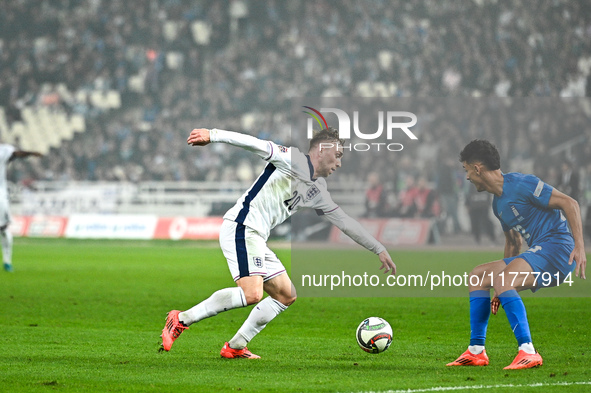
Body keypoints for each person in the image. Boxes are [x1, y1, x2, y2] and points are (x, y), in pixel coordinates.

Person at [161, 127, 396, 358]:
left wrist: (379, 248)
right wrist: (213, 135)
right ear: (322, 150)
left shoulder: (318, 190)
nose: (339, 163)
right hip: (242, 226)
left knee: (286, 295)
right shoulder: (292, 159)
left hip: (257, 237)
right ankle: (180, 319)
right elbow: (254, 143)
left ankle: (235, 346)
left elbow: (344, 221)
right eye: (338, 155)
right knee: (252, 294)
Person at [447, 139, 586, 370]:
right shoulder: (497, 205)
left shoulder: (523, 183)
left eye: (467, 170)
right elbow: (513, 243)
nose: (468, 177)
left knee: (502, 279)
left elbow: (570, 203)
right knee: (478, 276)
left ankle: (528, 351)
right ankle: (476, 351)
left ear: (477, 168)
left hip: (559, 250)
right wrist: (504, 286)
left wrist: (579, 246)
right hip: (540, 253)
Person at [0, 144, 43, 272]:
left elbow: (16, 154)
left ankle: (7, 262)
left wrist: (30, 153)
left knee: (3, 228)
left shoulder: (2, 151)